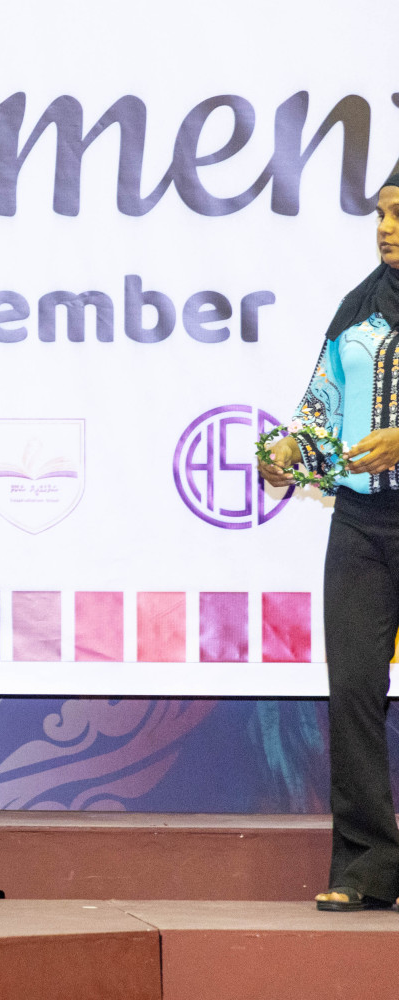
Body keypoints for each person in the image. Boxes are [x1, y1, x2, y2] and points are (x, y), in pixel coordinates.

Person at [261, 171, 399, 912]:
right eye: (381, 214)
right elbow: (321, 419)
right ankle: (369, 867)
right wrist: (288, 453)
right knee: (351, 690)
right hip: (361, 526)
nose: (385, 227)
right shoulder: (356, 310)